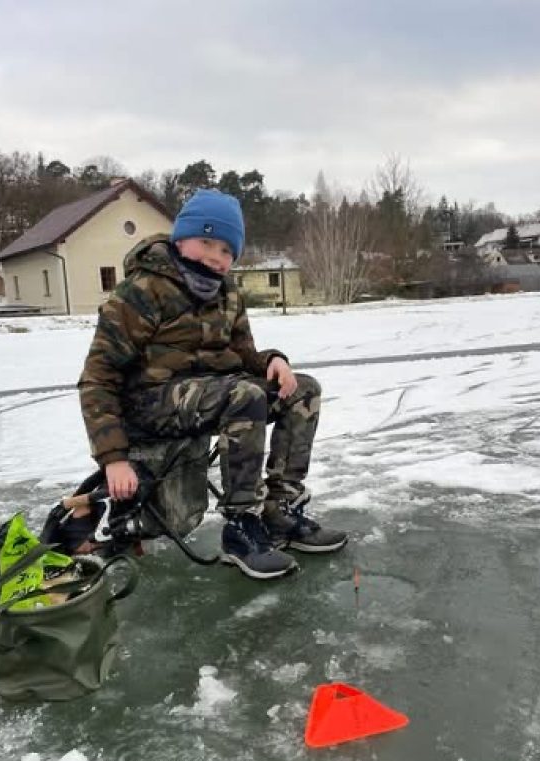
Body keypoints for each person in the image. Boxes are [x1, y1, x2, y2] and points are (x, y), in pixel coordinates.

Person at [78, 188, 347, 579]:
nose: (215, 257)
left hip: (216, 395)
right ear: (180, 238)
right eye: (206, 242)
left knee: (303, 390)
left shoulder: (228, 293)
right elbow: (98, 378)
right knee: (244, 395)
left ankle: (279, 510)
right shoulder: (140, 292)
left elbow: (242, 355)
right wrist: (114, 458)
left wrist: (273, 360)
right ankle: (241, 526)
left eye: (226, 250)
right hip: (150, 405)